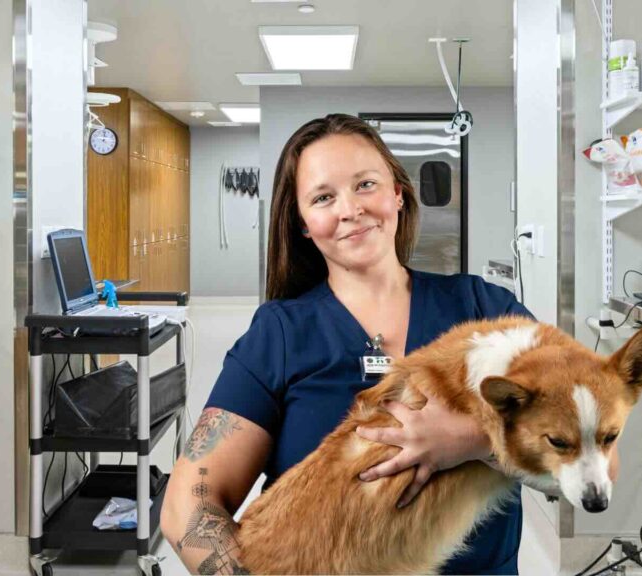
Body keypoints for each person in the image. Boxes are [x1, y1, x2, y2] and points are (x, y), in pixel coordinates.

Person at [161, 113, 535, 575]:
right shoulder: (279, 335)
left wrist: (472, 440)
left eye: (365, 185)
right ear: (303, 223)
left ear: (398, 193)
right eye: (323, 197)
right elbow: (185, 509)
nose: (350, 209)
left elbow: (592, 455)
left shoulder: (483, 309)